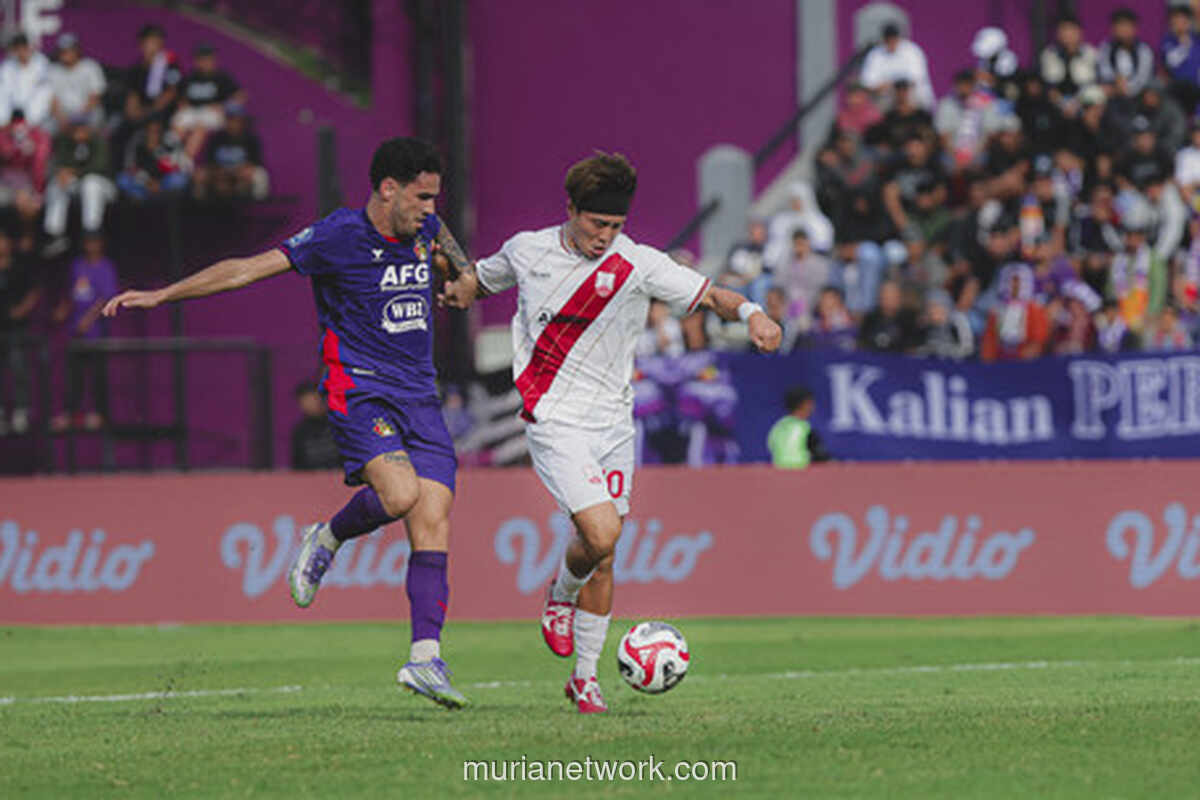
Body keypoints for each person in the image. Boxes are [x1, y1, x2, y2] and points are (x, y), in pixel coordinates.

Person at [102, 137, 472, 709]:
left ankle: (425, 660)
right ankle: (326, 537)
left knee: (435, 519)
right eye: (422, 197)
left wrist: (463, 274)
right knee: (400, 496)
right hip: (362, 389)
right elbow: (245, 270)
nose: (430, 208)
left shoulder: (423, 227)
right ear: (388, 189)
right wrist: (162, 295)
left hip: (421, 395)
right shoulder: (336, 236)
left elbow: (443, 243)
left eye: (434, 199)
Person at [439, 152, 781, 713]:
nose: (605, 236)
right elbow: (480, 281)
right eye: (597, 224)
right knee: (600, 533)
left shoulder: (638, 264)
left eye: (615, 226)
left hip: (614, 425)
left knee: (606, 552)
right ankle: (559, 595)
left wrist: (753, 315)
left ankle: (585, 680)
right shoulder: (528, 251)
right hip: (554, 418)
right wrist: (458, 291)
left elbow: (714, 295)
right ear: (570, 210)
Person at [51, 232, 116, 432]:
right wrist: (63, 310)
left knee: (98, 375)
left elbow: (106, 297)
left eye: (95, 242)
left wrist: (88, 320)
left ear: (101, 244)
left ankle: (100, 415)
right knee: (74, 376)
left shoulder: (105, 268)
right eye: (87, 242)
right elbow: (72, 293)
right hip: (76, 334)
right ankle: (71, 413)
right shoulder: (77, 266)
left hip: (96, 334)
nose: (91, 246)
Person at [767, 386, 830, 469]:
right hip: (800, 474)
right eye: (810, 403)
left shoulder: (778, 427)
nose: (813, 407)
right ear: (803, 404)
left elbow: (771, 447)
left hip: (778, 473)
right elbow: (821, 456)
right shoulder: (805, 428)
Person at [290, 381, 341, 470]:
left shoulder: (340, 423)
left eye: (314, 399)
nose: (312, 404)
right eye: (306, 401)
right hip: (312, 480)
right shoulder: (300, 432)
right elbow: (298, 465)